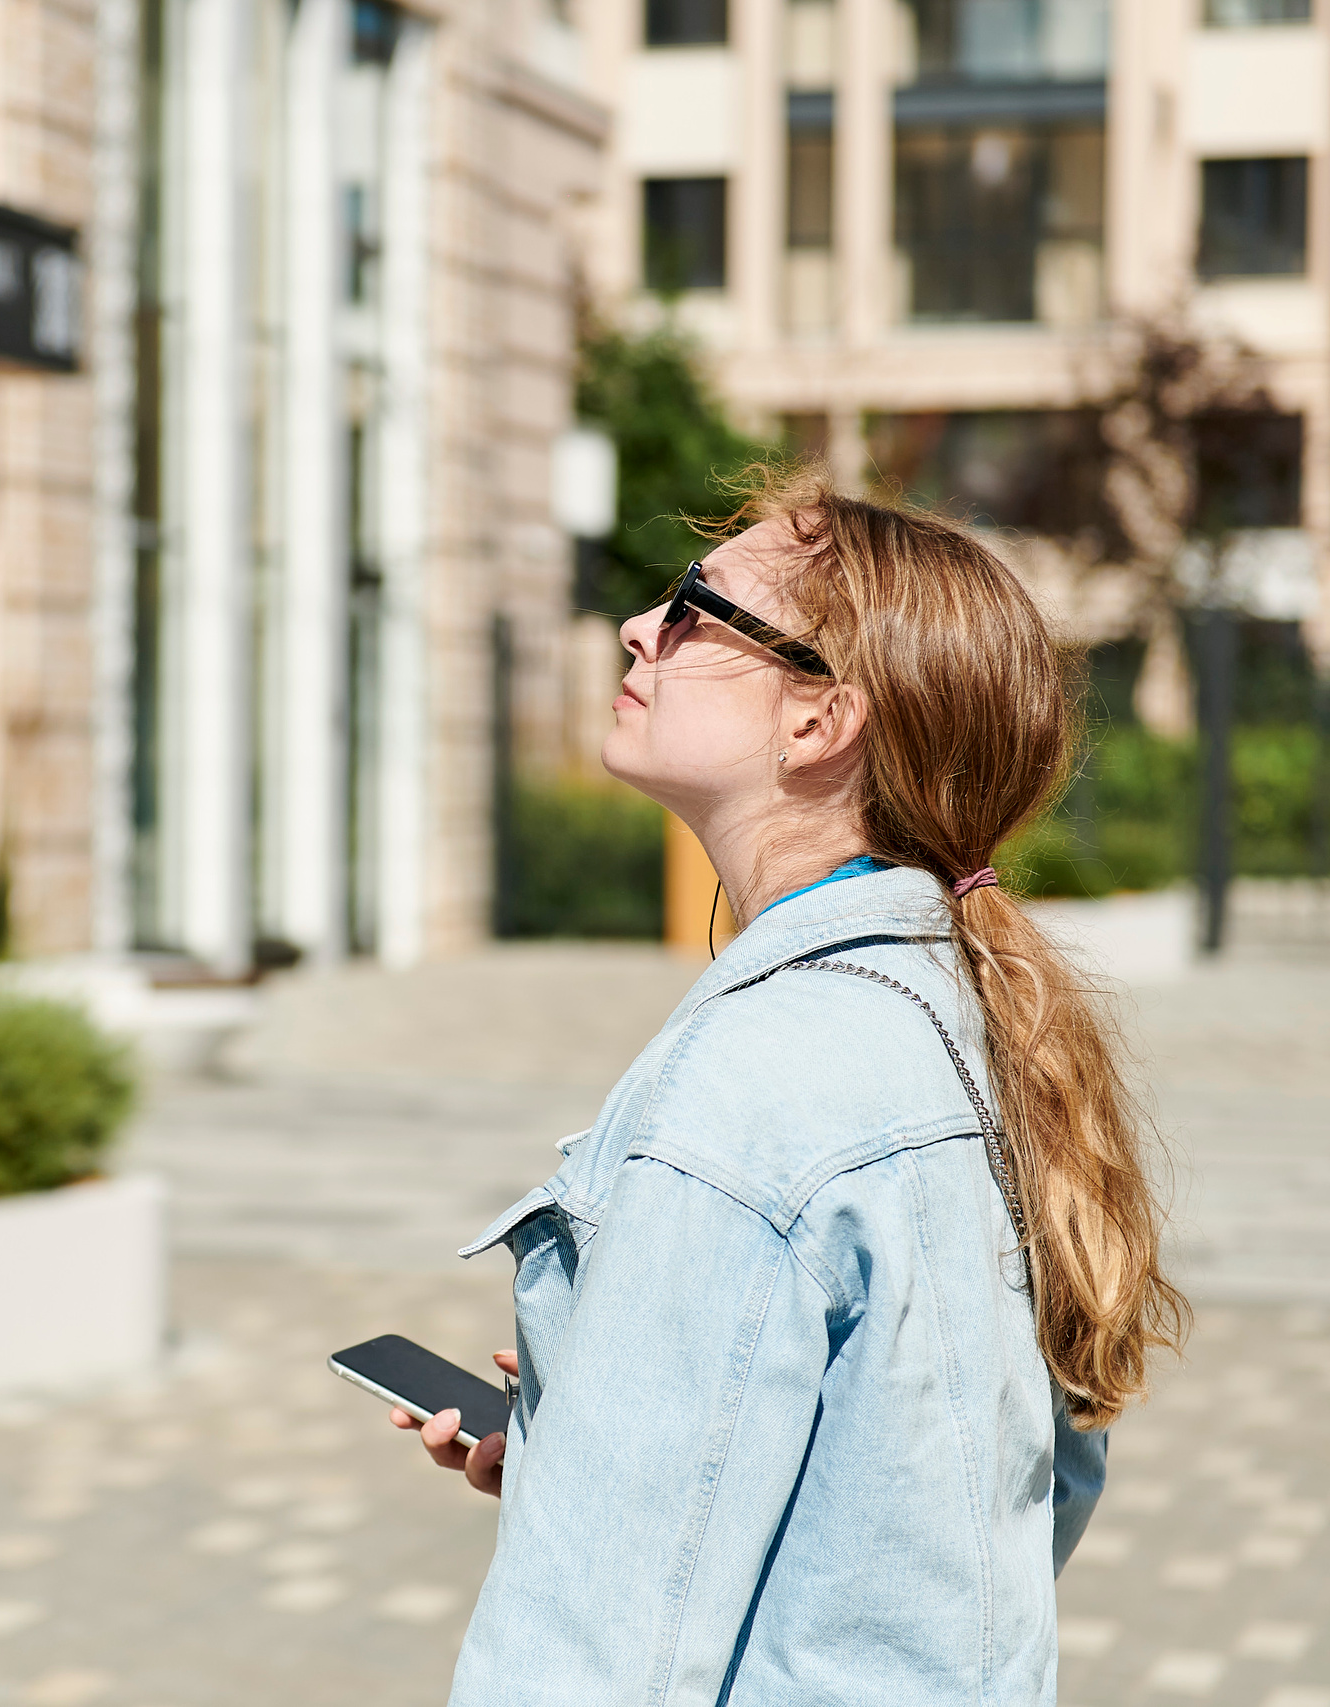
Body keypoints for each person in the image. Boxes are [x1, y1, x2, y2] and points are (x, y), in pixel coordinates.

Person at [392, 471, 1182, 1704]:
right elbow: (1024, 1500)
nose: (637, 628)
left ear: (820, 723)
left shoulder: (750, 1091)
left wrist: (615, 1499)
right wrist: (584, 1442)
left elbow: (589, 1663)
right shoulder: (973, 1019)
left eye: (696, 607)